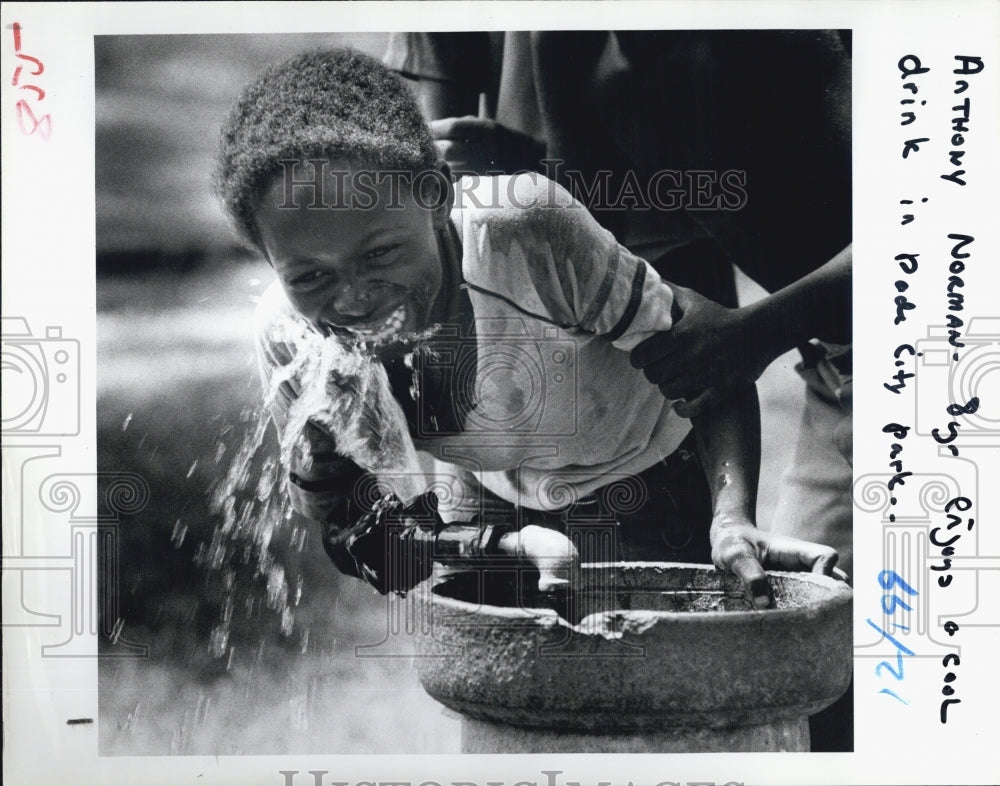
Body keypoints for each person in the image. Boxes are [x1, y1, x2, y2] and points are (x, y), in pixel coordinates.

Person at [214, 48, 839, 607]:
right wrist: (500, 543)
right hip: (492, 499)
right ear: (269, 262)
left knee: (657, 702)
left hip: (652, 476)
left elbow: (707, 362)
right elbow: (357, 527)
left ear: (435, 195)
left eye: (379, 254)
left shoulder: (523, 233)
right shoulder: (294, 342)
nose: (352, 299)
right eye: (310, 278)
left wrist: (731, 520)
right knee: (516, 705)